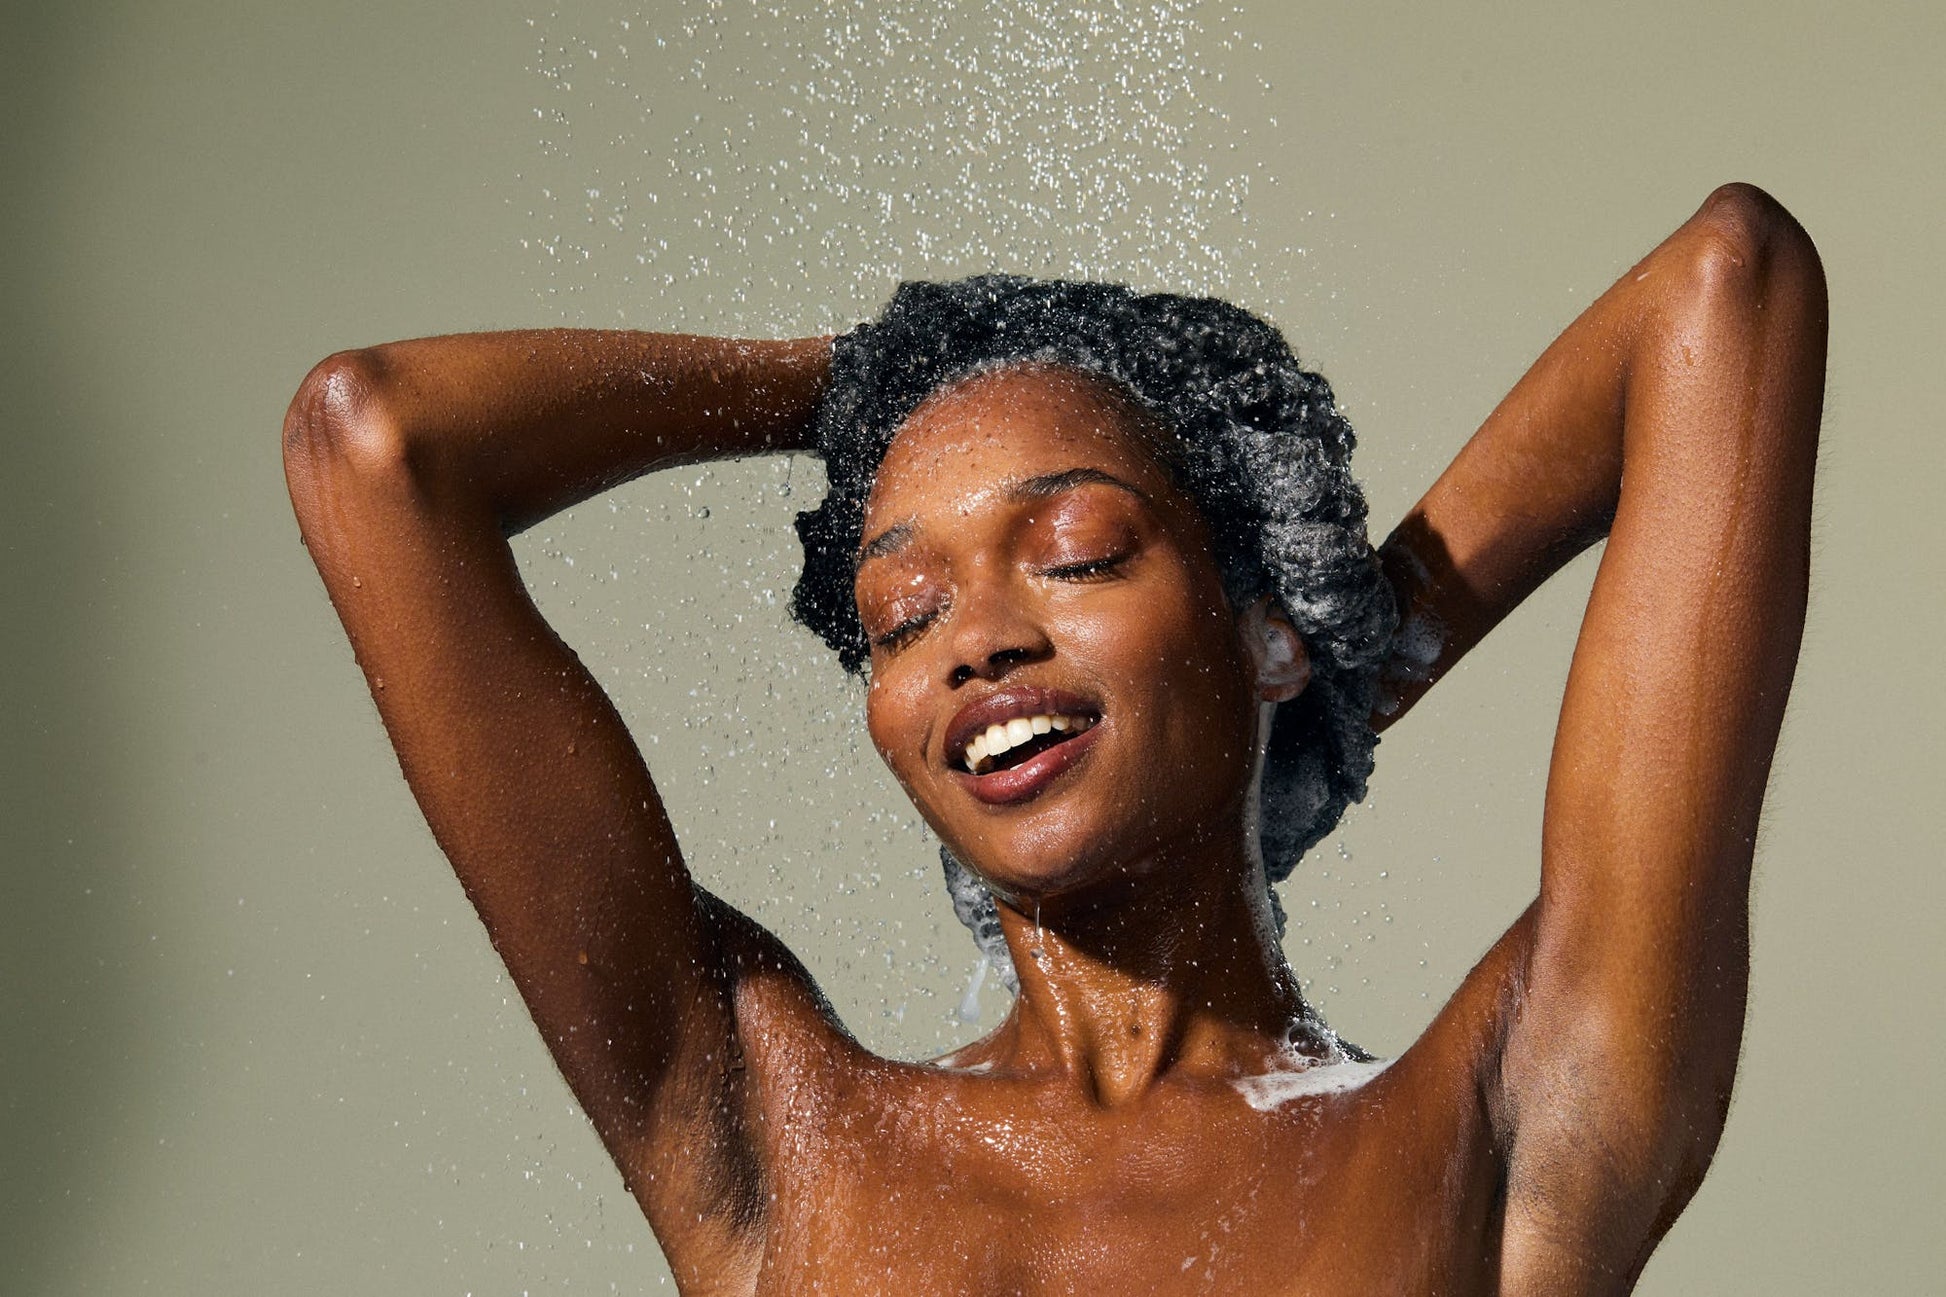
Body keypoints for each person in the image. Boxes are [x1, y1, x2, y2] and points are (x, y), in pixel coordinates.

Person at [282, 183, 1825, 1294]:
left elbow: (1724, 287)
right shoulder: (766, 1125)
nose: (975, 638)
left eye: (1077, 551)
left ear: (1250, 621)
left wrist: (1324, 658)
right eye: (899, 616)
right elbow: (375, 443)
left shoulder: (1498, 1119)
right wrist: (869, 378)